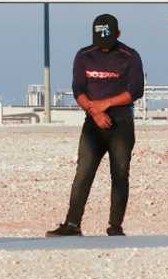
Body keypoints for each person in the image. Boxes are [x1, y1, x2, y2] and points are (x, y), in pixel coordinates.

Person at [47, 13, 144, 237]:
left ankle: (115, 226)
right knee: (84, 172)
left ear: (118, 34)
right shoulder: (84, 56)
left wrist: (106, 104)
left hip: (121, 122)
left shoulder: (130, 56)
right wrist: (94, 111)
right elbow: (78, 90)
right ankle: (72, 224)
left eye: (108, 41)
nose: (104, 47)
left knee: (120, 174)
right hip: (93, 122)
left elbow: (135, 91)